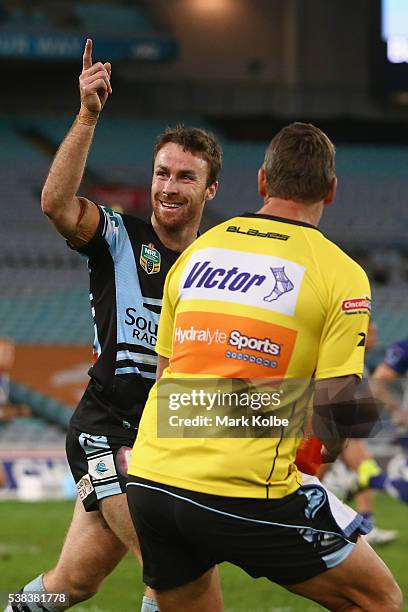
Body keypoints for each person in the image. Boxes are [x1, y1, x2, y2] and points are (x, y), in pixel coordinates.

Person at [127, 122, 403, 611]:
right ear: (332, 191)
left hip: (151, 480)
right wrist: (322, 453)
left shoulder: (197, 253)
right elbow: (336, 416)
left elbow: (168, 383)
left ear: (261, 182)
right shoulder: (342, 273)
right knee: (378, 599)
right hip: (244, 489)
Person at [7, 39, 222, 612]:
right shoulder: (118, 236)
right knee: (172, 569)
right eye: (161, 173)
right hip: (107, 431)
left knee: (70, 585)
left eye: (184, 177)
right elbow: (56, 203)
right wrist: (87, 114)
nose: (169, 187)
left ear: (210, 190)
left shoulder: (220, 266)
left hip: (170, 440)